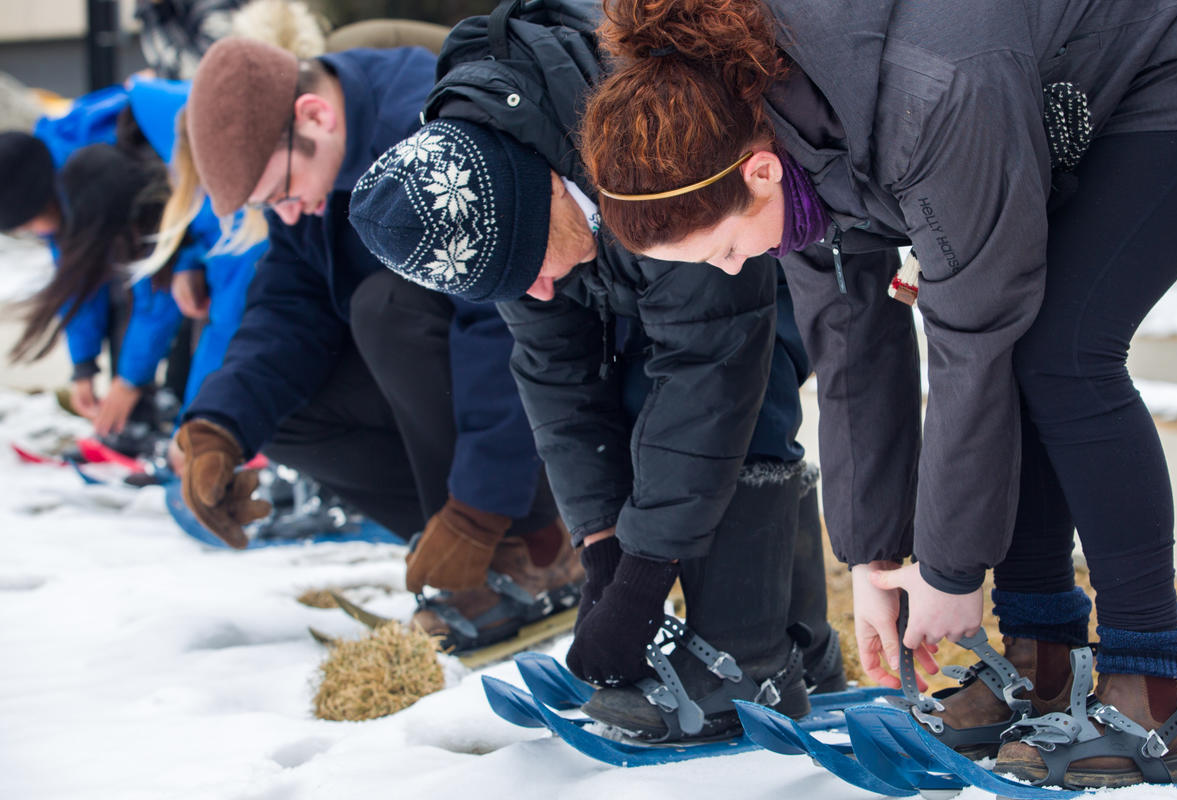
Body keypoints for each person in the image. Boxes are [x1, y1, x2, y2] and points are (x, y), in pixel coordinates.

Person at [577, 0, 1177, 787]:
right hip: (1040, 77)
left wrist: (952, 571)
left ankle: (1153, 691)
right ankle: (1040, 666)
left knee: (1062, 351)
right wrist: (874, 553)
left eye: (724, 250)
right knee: (1030, 342)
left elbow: (975, 340)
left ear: (758, 174)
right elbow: (852, 339)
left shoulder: (926, 96)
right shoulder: (768, 121)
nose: (732, 270)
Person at [347, 2, 842, 742]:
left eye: (528, 269)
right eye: (513, 287)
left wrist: (646, 574)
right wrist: (603, 545)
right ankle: (801, 645)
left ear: (543, 190)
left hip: (757, 231)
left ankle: (752, 655)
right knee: (628, 391)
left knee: (718, 386)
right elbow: (557, 378)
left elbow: (714, 360)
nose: (536, 294)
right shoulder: (503, 188)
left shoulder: (648, 143)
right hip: (639, 256)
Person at [166, 36, 581, 652]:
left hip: (561, 385)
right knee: (287, 413)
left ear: (315, 116)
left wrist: (480, 506)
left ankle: (539, 544)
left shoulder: (434, 126)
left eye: (280, 192)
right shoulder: (312, 176)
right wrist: (218, 426)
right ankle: (475, 557)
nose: (284, 214)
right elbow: (289, 309)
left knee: (386, 306)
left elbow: (501, 321)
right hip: (466, 391)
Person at [2, 125, 188, 443]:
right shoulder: (46, 180)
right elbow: (77, 279)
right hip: (147, 247)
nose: (37, 233)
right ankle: (138, 417)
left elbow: (155, 288)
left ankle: (182, 418)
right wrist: (84, 364)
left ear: (41, 204)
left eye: (30, 225)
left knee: (159, 301)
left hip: (175, 243)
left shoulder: (102, 179)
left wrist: (130, 380)